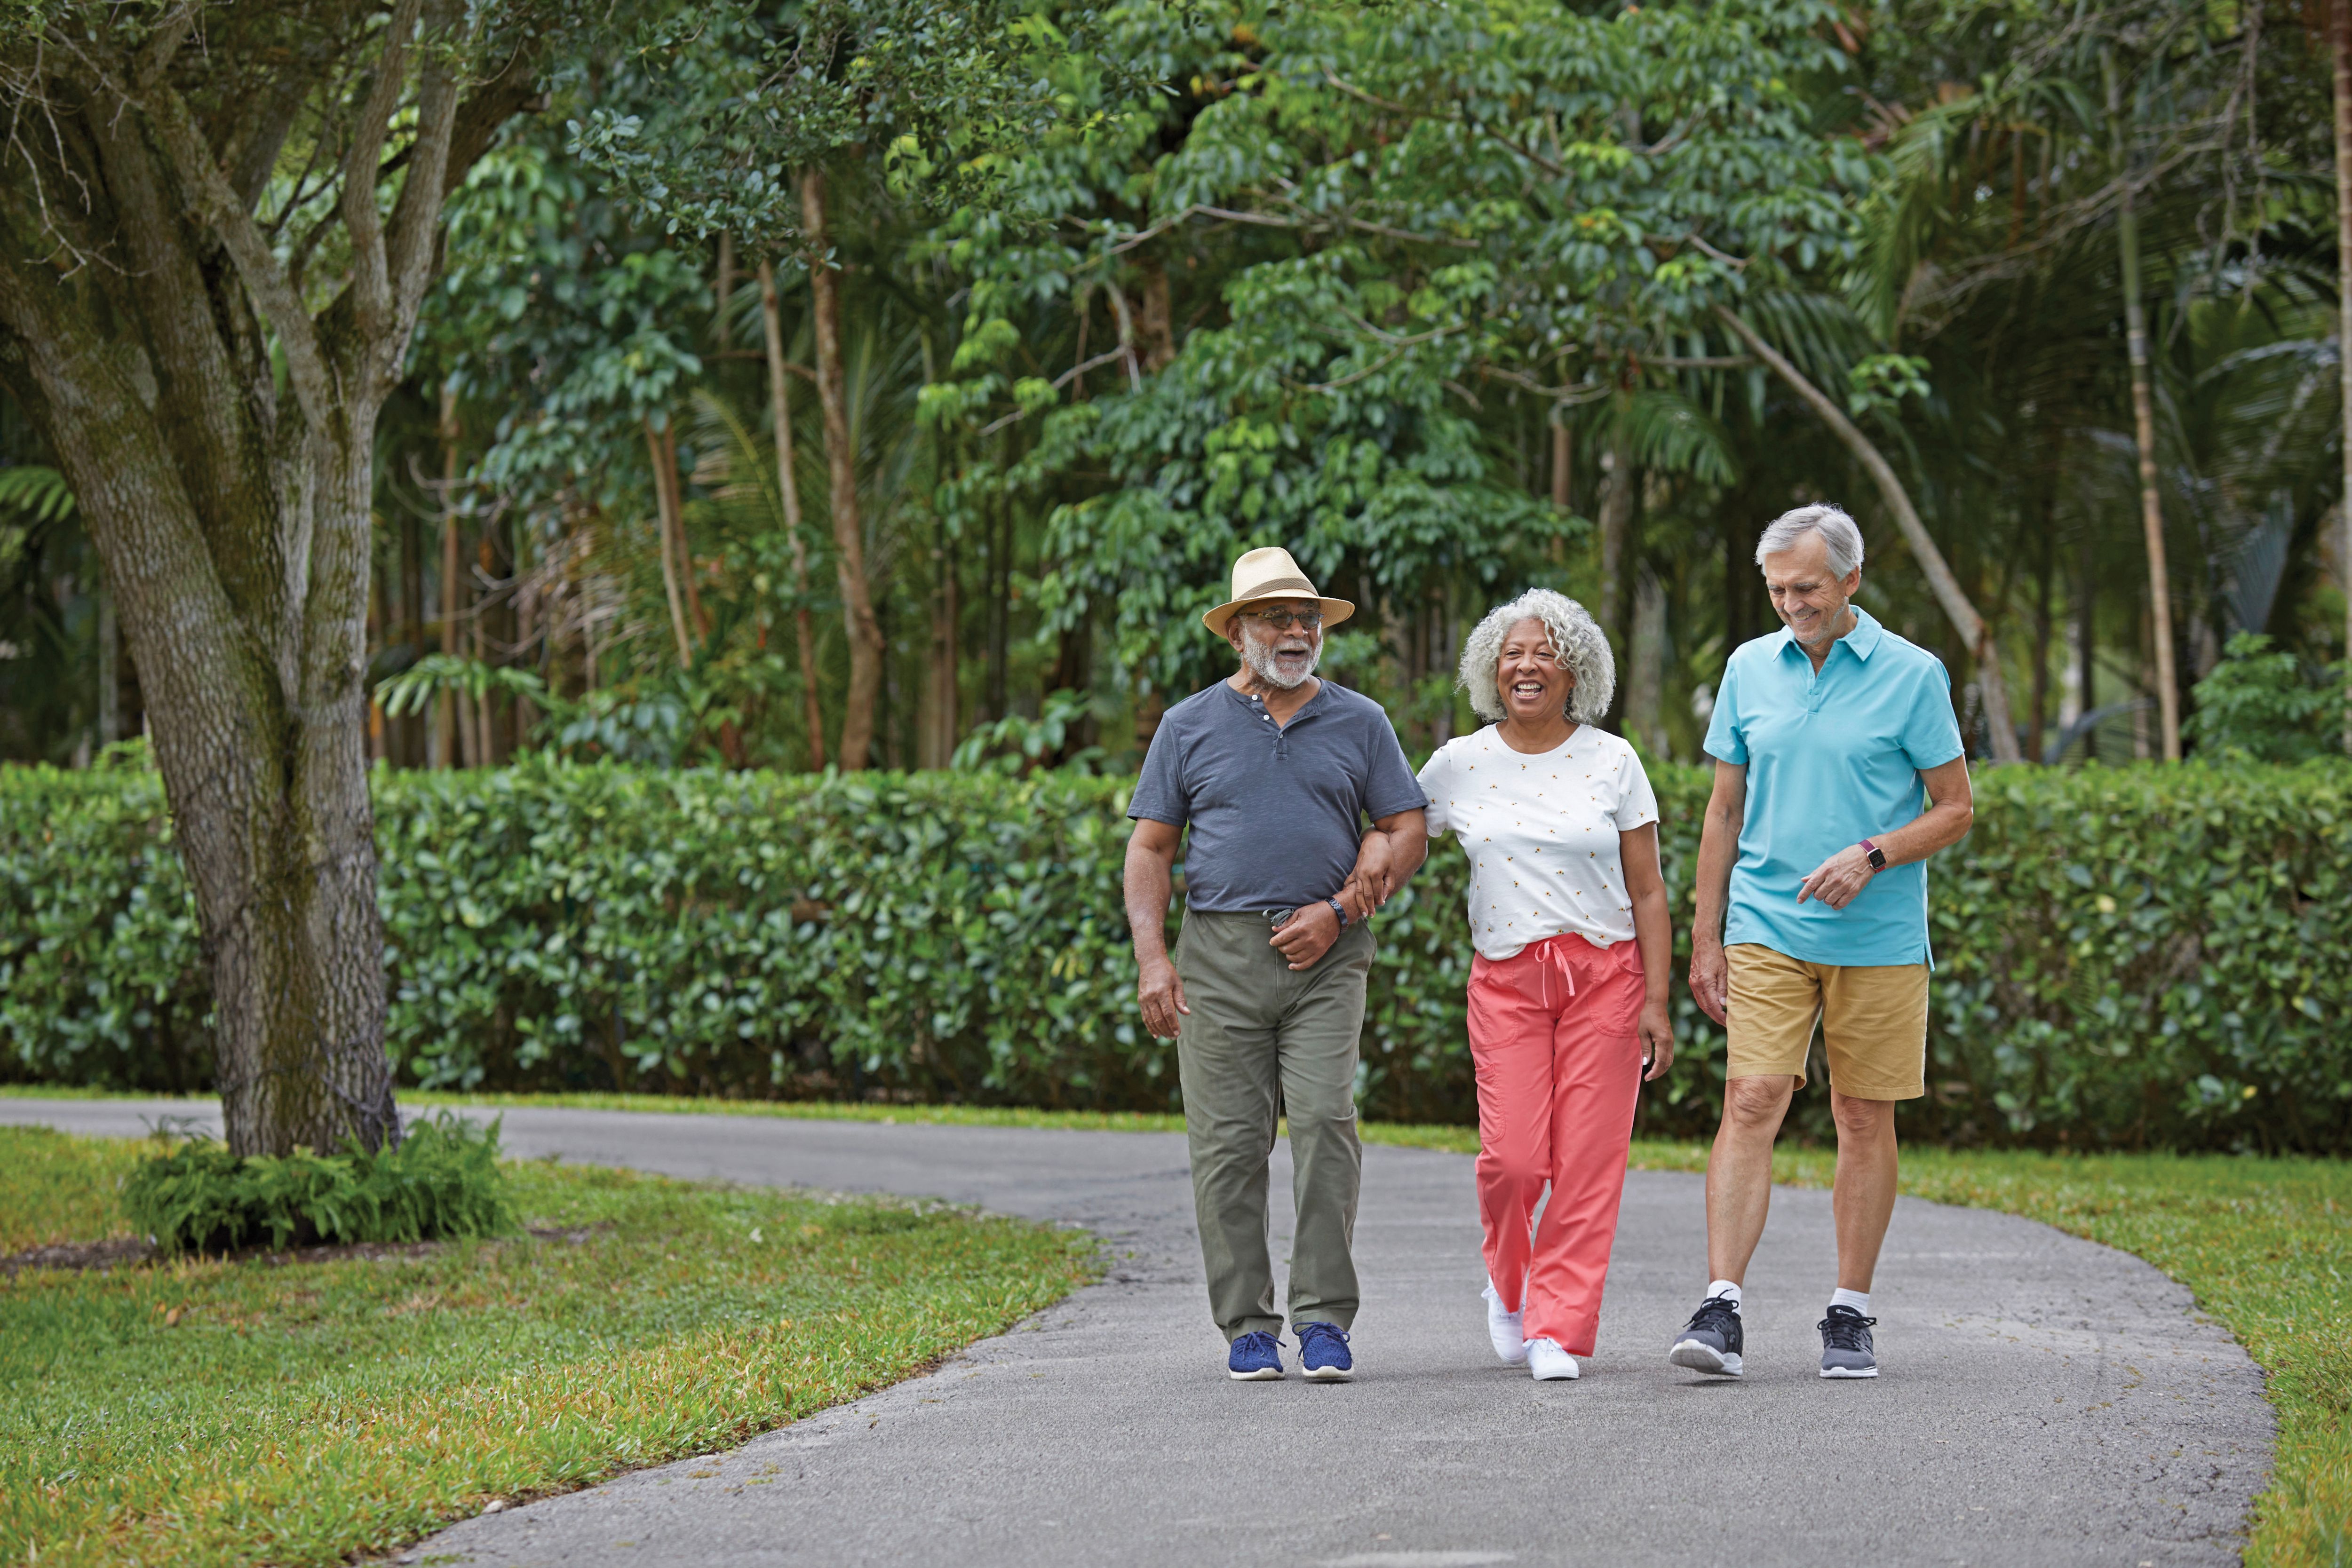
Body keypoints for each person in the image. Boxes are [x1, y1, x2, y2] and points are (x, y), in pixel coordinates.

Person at [1672, 504, 1974, 1381]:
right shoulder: (1747, 669)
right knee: (1754, 1096)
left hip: (1876, 934)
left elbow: (1955, 808)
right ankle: (1721, 1305)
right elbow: (1723, 809)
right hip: (1767, 923)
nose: (1791, 604)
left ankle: (1851, 1310)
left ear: (1850, 579)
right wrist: (1707, 936)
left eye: (1806, 587)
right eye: (1777, 590)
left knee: (1860, 1114)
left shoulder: (1912, 675)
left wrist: (1875, 853)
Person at [1124, 546, 1429, 1383]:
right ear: (1238, 634)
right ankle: (1248, 1324)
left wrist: (1339, 913)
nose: (1295, 631)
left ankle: (1325, 1316)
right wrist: (1155, 959)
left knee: (1328, 1123)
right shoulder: (1188, 726)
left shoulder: (1360, 721)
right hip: (1218, 954)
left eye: (1305, 618)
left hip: (1329, 957)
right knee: (1227, 1147)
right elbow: (1150, 846)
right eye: (1274, 617)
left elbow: (1408, 829)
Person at [1416, 590, 1674, 1382]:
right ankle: (1507, 1279)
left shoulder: (1613, 759)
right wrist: (1345, 894)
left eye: (1546, 652)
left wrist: (1657, 1000)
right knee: (1515, 1162)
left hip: (1608, 978)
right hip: (1508, 982)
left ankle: (1556, 1326)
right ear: (1493, 669)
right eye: (1513, 653)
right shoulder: (1459, 762)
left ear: (1576, 671)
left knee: (1589, 1162)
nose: (1527, 665)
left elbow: (1650, 890)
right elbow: (1395, 837)